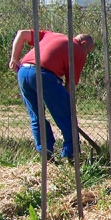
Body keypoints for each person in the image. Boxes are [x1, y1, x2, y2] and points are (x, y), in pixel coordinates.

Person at [9, 29, 95, 159]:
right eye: (88, 52)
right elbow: (70, 84)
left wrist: (14, 58)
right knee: (66, 117)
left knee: (36, 116)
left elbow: (22, 33)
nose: (86, 55)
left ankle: (45, 154)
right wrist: (66, 103)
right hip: (44, 75)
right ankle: (70, 155)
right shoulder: (77, 50)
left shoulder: (53, 35)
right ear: (83, 43)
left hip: (23, 72)